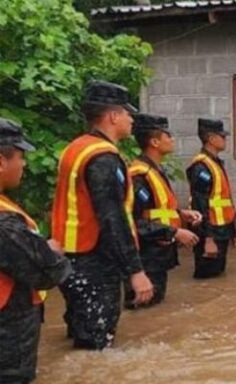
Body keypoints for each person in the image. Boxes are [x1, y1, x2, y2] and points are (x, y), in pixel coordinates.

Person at [52, 80, 154, 350]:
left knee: (81, 336)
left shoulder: (76, 148)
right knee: (97, 346)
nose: (132, 119)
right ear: (113, 116)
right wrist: (135, 271)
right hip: (94, 261)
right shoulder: (103, 158)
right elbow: (112, 218)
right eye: (127, 113)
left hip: (69, 258)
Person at [0, 118, 71, 384]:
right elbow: (46, 273)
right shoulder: (5, 221)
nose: (24, 165)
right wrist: (50, 249)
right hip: (9, 334)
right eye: (20, 156)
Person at [124, 114, 202, 308]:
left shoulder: (155, 170)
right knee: (142, 309)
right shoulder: (139, 176)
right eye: (168, 135)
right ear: (155, 142)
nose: (172, 139)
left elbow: (154, 210)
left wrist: (180, 213)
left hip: (157, 254)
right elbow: (132, 221)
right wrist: (175, 231)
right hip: (145, 257)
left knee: (154, 307)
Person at [186, 118, 236, 279]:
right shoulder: (201, 167)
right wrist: (208, 238)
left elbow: (224, 201)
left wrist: (233, 232)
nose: (226, 140)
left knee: (218, 274)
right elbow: (200, 204)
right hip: (210, 231)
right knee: (206, 276)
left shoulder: (215, 163)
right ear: (211, 139)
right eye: (222, 136)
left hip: (222, 229)